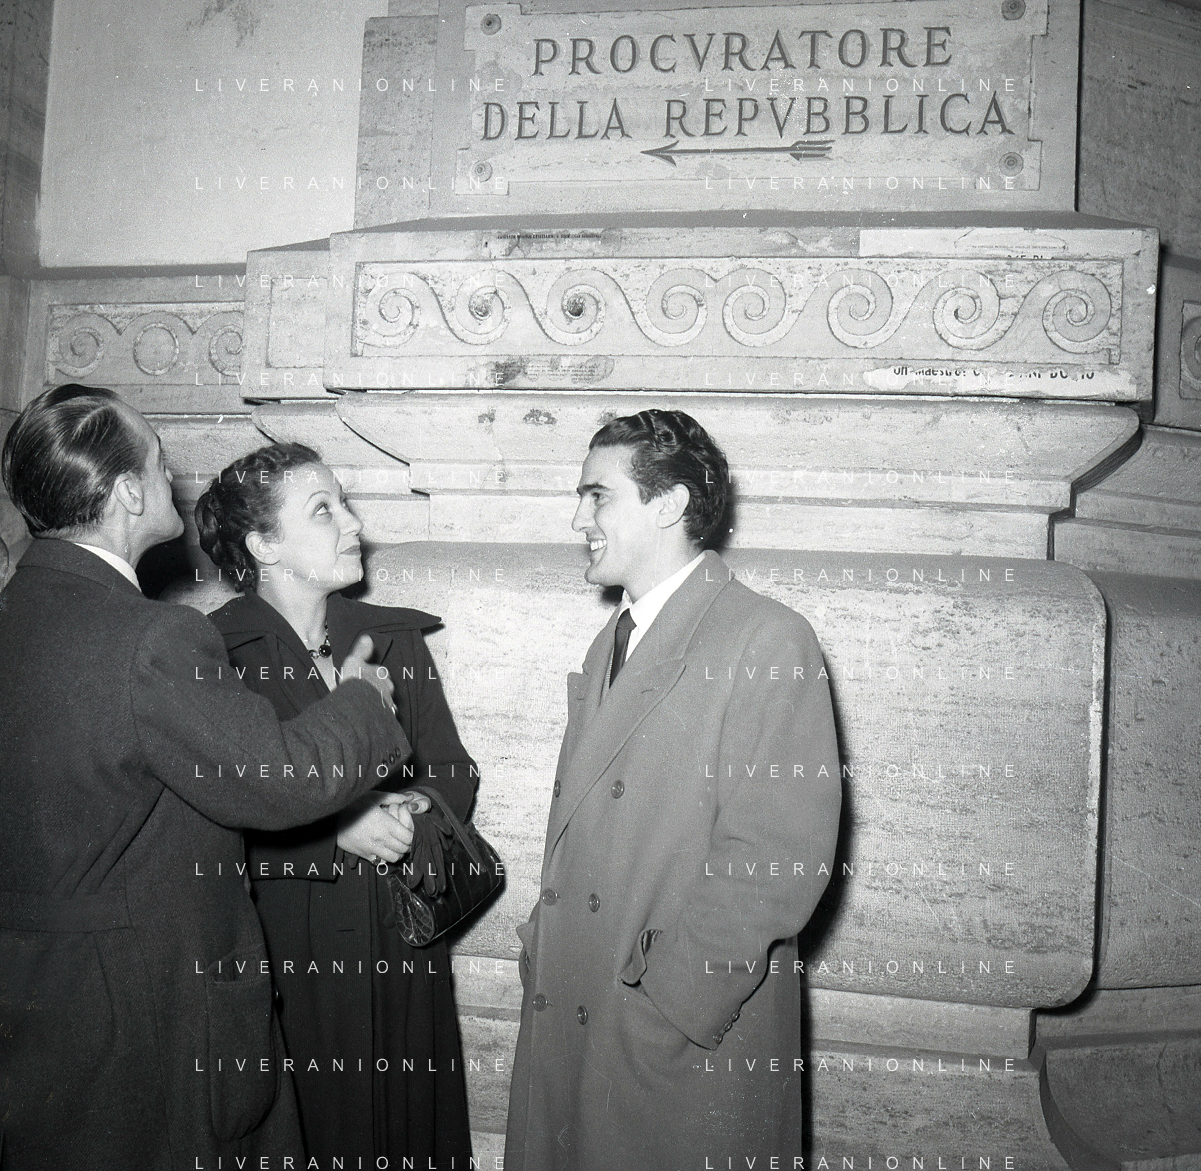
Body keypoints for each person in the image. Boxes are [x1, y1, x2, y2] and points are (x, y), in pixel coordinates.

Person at [0, 385, 408, 1171]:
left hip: (37, 1007)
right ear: (127, 493)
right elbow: (283, 779)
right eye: (158, 460)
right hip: (146, 1023)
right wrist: (363, 701)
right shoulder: (152, 637)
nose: (171, 476)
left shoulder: (18, 612)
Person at [504, 409, 842, 1171]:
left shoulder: (766, 636)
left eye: (597, 495)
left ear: (668, 504)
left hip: (669, 1030)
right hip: (583, 999)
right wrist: (542, 942)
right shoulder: (614, 639)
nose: (578, 519)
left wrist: (673, 999)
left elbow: (776, 858)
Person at [196, 442, 476, 1169]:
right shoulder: (212, 655)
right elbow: (206, 819)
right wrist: (335, 831)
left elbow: (453, 770)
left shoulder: (392, 639)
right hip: (295, 955)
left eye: (344, 503)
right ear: (264, 545)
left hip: (403, 942)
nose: (353, 524)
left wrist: (411, 806)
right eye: (323, 510)